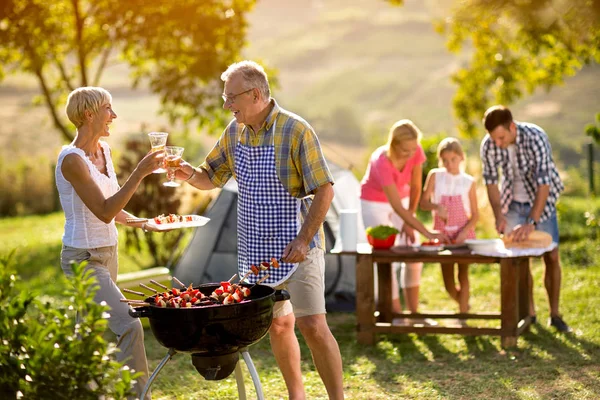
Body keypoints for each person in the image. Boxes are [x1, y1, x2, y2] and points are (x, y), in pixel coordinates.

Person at [175, 61, 344, 399]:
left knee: (312, 325)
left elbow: (324, 189)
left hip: (298, 246)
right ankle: (298, 396)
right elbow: (210, 176)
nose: (227, 106)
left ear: (255, 94)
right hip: (257, 253)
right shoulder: (233, 132)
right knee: (280, 324)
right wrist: (185, 173)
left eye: (231, 98)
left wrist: (304, 239)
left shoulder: (295, 130)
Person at [56, 86, 166, 399]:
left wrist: (143, 223)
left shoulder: (103, 152)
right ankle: (136, 396)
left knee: (91, 334)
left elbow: (112, 204)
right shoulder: (72, 161)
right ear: (89, 114)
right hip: (83, 258)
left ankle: (79, 391)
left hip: (108, 253)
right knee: (129, 325)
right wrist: (141, 172)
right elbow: (104, 212)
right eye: (108, 109)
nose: (114, 116)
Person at [480, 105, 571, 332]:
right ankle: (529, 314)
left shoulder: (536, 137)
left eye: (501, 137)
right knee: (519, 258)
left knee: (551, 254)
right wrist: (499, 215)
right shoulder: (489, 144)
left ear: (512, 127)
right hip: (511, 204)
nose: (498, 143)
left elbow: (544, 183)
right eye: (494, 139)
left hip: (541, 201)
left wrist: (532, 221)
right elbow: (491, 182)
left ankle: (555, 314)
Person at [360, 119, 448, 317]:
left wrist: (411, 224)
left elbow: (416, 187)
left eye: (413, 150)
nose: (410, 155)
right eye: (405, 151)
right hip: (374, 202)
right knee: (387, 256)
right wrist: (426, 231)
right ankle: (396, 315)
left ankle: (414, 314)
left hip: (404, 198)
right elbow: (396, 207)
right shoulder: (381, 161)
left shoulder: (415, 150)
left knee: (413, 252)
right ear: (393, 145)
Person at [420, 137, 479, 314]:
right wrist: (436, 206)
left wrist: (464, 233)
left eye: (453, 159)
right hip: (442, 236)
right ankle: (464, 303)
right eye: (445, 160)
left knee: (463, 275)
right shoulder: (435, 176)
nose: (449, 164)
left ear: (461, 157)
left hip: (463, 236)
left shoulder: (468, 182)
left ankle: (463, 316)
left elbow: (475, 216)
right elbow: (423, 203)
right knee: (448, 282)